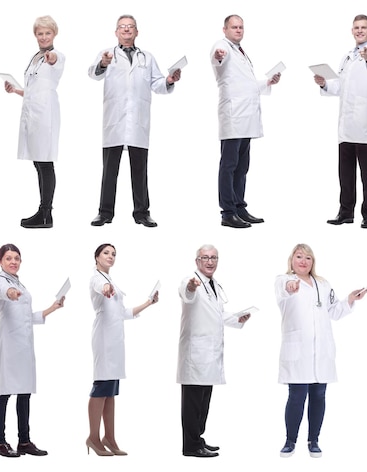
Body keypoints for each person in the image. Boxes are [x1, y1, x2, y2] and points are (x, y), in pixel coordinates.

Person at [88, 14, 181, 228]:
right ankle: (104, 212)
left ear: (137, 32)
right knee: (109, 171)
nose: (127, 30)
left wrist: (168, 80)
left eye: (131, 27)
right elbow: (94, 74)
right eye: (122, 27)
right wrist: (103, 63)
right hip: (115, 121)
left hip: (138, 122)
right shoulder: (107, 55)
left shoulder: (147, 57)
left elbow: (157, 84)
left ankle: (142, 213)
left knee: (140, 170)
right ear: (116, 32)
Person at [275, 243, 367, 458]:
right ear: (291, 260)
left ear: (312, 262)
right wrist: (291, 286)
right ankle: (290, 441)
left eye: (308, 258)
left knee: (319, 395)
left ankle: (313, 440)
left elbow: (334, 312)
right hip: (298, 350)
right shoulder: (284, 280)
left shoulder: (323, 284)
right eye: (299, 256)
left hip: (322, 350)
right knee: (296, 396)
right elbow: (285, 290)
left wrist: (351, 299)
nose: (303, 261)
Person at [315, 14, 367, 229]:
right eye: (356, 27)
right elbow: (340, 87)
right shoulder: (347, 56)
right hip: (346, 125)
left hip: (364, 123)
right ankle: (345, 212)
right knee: (345, 172)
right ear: (352, 30)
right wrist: (323, 84)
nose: (359, 31)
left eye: (363, 27)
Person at [0, 243, 65, 457]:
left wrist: (53, 307)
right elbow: (5, 292)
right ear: (0, 262)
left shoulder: (19, 283)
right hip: (8, 344)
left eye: (16, 258)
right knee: (4, 392)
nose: (13, 261)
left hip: (24, 345)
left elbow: (27, 316)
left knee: (24, 393)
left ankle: (24, 441)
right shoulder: (0, 282)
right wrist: (12, 292)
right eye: (8, 258)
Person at [177, 244, 250, 458]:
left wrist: (238, 318)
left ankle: (198, 439)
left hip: (209, 355)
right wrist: (191, 286)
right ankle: (190, 446)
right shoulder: (190, 280)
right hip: (195, 354)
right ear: (197, 261)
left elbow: (216, 314)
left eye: (214, 258)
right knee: (192, 403)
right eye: (205, 258)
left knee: (203, 401)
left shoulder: (213, 284)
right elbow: (186, 294)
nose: (210, 262)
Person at [86, 243, 159, 456]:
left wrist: (148, 303)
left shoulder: (110, 280)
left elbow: (123, 312)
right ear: (97, 257)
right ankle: (92, 437)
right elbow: (100, 287)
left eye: (114, 254)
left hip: (115, 341)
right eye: (106, 253)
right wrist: (106, 289)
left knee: (110, 391)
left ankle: (109, 437)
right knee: (101, 386)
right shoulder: (97, 278)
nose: (111, 256)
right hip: (104, 339)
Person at [211, 14, 281, 228]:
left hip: (246, 119)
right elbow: (218, 60)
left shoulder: (240, 51)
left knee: (242, 167)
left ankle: (240, 207)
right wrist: (219, 56)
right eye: (234, 27)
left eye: (241, 27)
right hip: (234, 117)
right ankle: (228, 213)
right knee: (229, 165)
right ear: (225, 29)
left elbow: (246, 84)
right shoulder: (221, 47)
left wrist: (267, 82)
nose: (238, 30)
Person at [4, 16, 64, 229]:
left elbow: (55, 60)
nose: (44, 36)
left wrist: (51, 57)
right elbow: (33, 91)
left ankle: (46, 214)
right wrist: (16, 90)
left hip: (45, 116)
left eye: (48, 33)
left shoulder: (55, 56)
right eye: (40, 33)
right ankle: (43, 212)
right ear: (35, 35)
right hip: (33, 114)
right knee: (38, 163)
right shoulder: (35, 58)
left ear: (54, 34)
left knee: (45, 162)